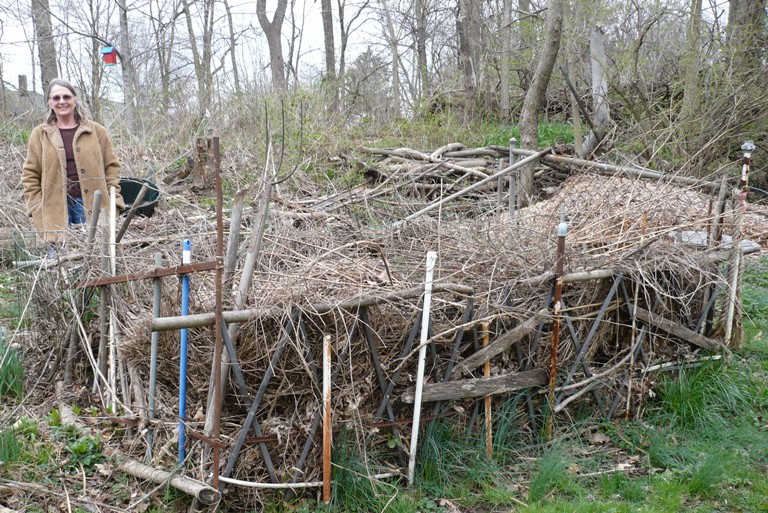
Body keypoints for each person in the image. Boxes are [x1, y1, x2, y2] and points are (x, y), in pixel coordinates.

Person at [21, 78, 124, 244]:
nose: (62, 101)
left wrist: (114, 202)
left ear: (75, 100)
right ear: (49, 103)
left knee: (94, 259)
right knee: (59, 261)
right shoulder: (39, 134)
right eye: (56, 98)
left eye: (66, 97)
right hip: (53, 209)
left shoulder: (96, 131)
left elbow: (112, 168)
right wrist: (36, 207)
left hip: (93, 206)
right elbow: (30, 174)